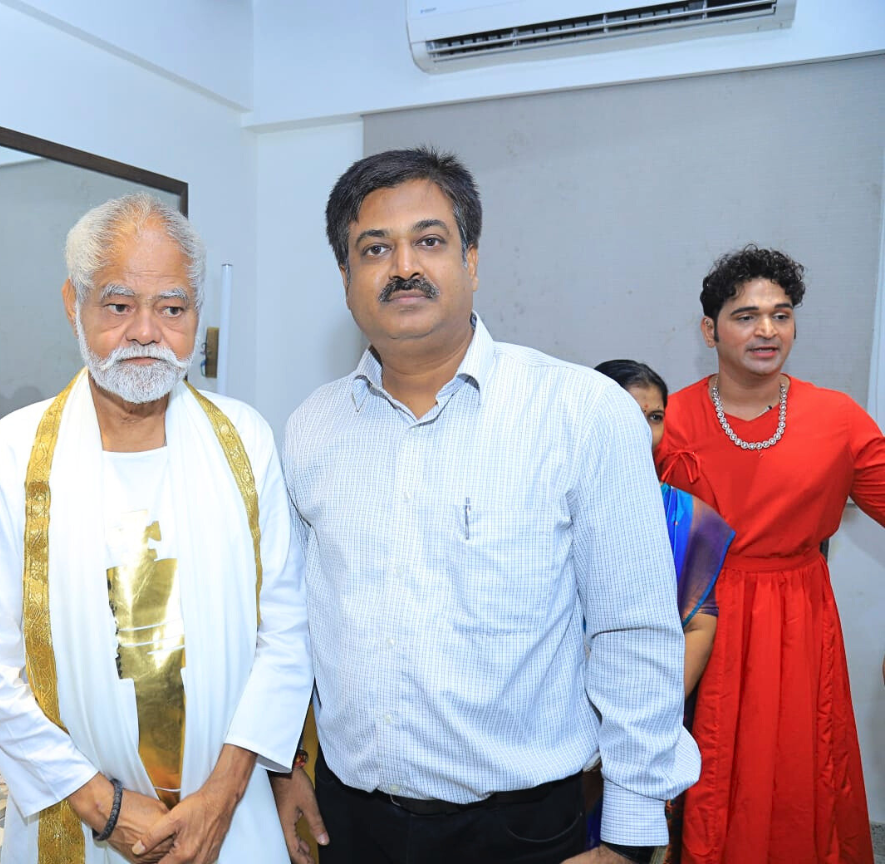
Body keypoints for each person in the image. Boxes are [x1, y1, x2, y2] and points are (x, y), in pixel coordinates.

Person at [274, 147, 699, 864]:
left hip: (520, 828)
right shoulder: (311, 427)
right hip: (353, 821)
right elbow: (290, 621)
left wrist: (629, 834)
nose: (403, 266)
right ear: (345, 279)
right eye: (374, 248)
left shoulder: (580, 412)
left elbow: (633, 628)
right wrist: (286, 766)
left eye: (429, 241)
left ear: (471, 260)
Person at [0, 194, 313, 864]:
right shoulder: (11, 457)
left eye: (172, 308)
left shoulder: (245, 441)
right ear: (74, 303)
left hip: (230, 822)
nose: (146, 332)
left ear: (197, 313)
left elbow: (286, 632)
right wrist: (105, 808)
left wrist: (224, 795)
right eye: (119, 306)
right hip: (76, 821)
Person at [655, 245, 885, 864]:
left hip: (798, 620)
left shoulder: (837, 417)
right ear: (709, 330)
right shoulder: (671, 419)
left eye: (781, 315)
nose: (767, 330)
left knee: (803, 765)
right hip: (700, 620)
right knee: (704, 770)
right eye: (746, 316)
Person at [594, 359, 735, 862]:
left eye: (655, 417)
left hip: (648, 708)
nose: (644, 431)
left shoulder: (691, 519)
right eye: (627, 414)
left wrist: (653, 711)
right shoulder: (549, 505)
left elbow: (698, 622)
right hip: (555, 712)